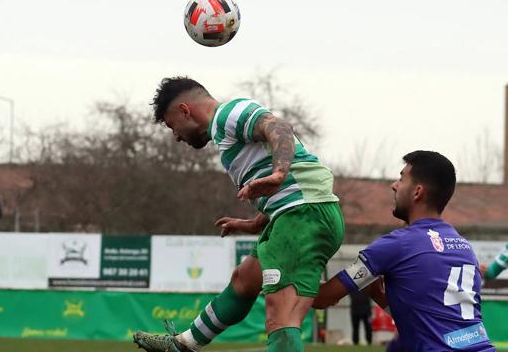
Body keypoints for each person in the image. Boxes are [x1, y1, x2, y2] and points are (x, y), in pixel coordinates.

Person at [133, 77, 344, 352]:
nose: (175, 136)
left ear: (185, 110)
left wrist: (279, 174)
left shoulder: (228, 114)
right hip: (294, 215)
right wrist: (255, 222)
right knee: (244, 280)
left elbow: (277, 126)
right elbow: (292, 186)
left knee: (280, 315)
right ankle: (183, 344)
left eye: (173, 125)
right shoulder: (225, 133)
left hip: (304, 216)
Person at [313, 151, 496, 351]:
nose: (394, 185)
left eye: (401, 179)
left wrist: (279, 272)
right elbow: (429, 316)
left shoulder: (396, 245)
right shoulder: (464, 248)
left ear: (417, 192)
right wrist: (377, 294)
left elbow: (323, 297)